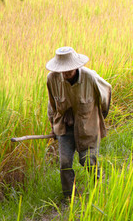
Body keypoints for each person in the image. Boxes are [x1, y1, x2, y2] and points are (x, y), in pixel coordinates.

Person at [45, 47, 111, 199]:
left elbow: (106, 93)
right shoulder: (52, 79)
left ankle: (99, 189)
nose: (66, 73)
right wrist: (53, 126)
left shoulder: (90, 77)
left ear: (76, 66)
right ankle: (70, 196)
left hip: (87, 126)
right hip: (64, 127)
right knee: (65, 163)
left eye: (69, 70)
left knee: (88, 160)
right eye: (63, 70)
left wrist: (100, 118)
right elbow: (52, 105)